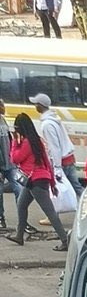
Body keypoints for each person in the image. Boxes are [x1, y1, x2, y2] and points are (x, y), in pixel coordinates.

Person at [5, 113, 68, 251]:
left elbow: (15, 159)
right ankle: (19, 235)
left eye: (16, 128)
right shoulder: (36, 141)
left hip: (35, 181)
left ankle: (65, 240)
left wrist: (15, 141)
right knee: (21, 205)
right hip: (37, 180)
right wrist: (51, 182)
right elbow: (46, 162)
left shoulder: (26, 143)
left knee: (50, 212)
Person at [30, 93, 83, 199]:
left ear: (40, 105)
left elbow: (54, 147)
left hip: (61, 162)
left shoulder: (47, 124)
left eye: (36, 104)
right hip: (69, 158)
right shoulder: (55, 119)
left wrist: (57, 167)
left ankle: (54, 214)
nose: (35, 107)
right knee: (77, 187)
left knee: (56, 189)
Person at [0, 98, 22, 229]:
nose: (3, 107)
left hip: (9, 163)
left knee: (19, 188)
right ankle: (1, 217)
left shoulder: (3, 120)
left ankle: (22, 218)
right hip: (1, 165)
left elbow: (9, 140)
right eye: (1, 105)